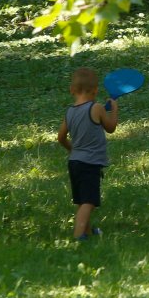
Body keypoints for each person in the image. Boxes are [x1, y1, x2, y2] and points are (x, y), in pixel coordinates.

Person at [57, 67, 119, 241]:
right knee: (89, 202)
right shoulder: (97, 107)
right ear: (96, 90)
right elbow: (111, 127)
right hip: (89, 163)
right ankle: (79, 236)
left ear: (72, 90)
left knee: (82, 200)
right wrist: (114, 109)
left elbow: (60, 137)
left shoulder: (69, 112)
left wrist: (72, 149)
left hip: (74, 162)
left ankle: (89, 232)